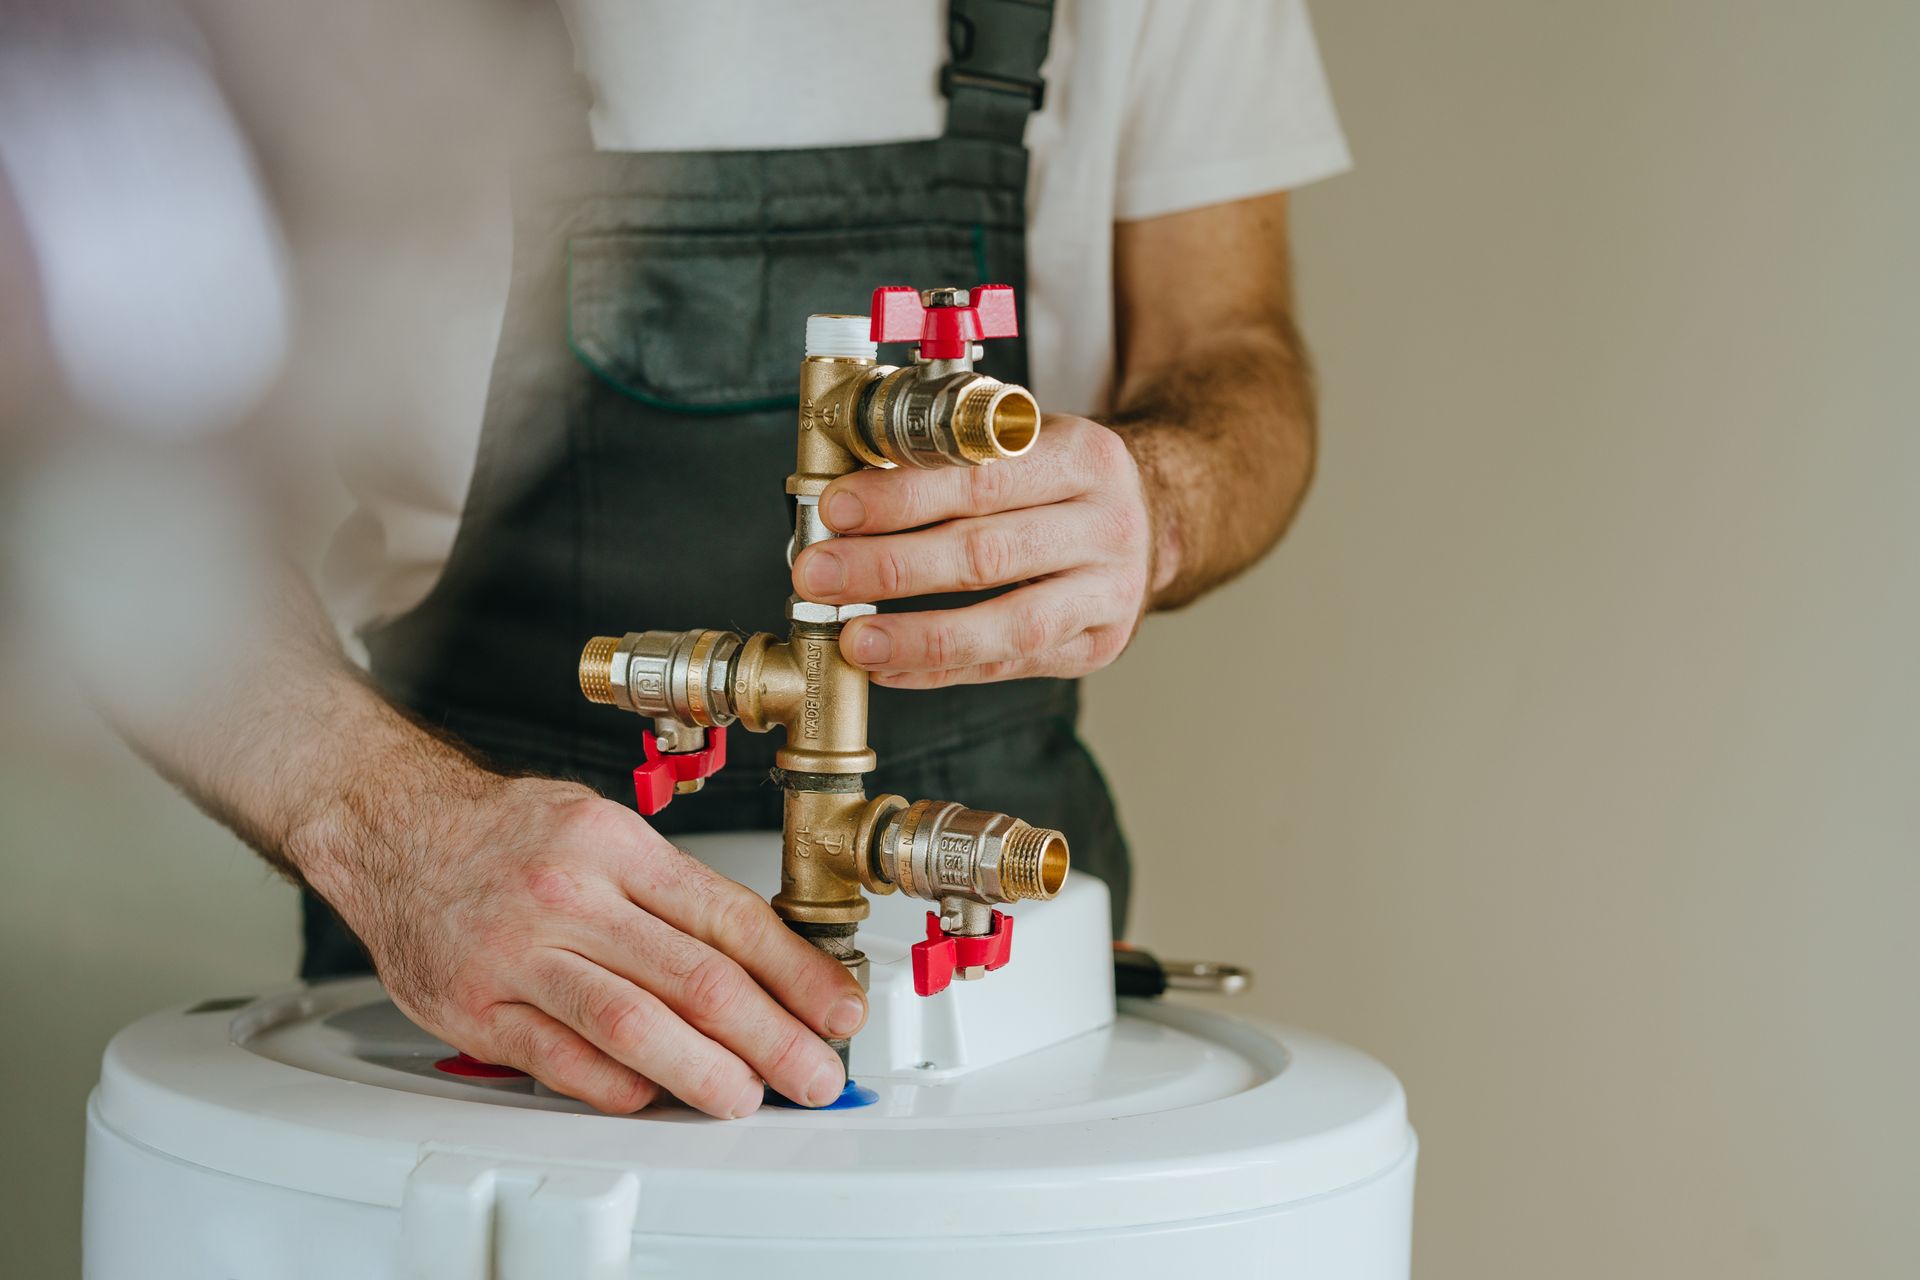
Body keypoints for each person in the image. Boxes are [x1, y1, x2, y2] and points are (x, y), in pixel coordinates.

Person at [119, 0, 1349, 1120]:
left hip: (990, 952)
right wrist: (391, 825)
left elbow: (1235, 345)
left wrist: (1164, 499)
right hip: (467, 927)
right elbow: (93, 471)